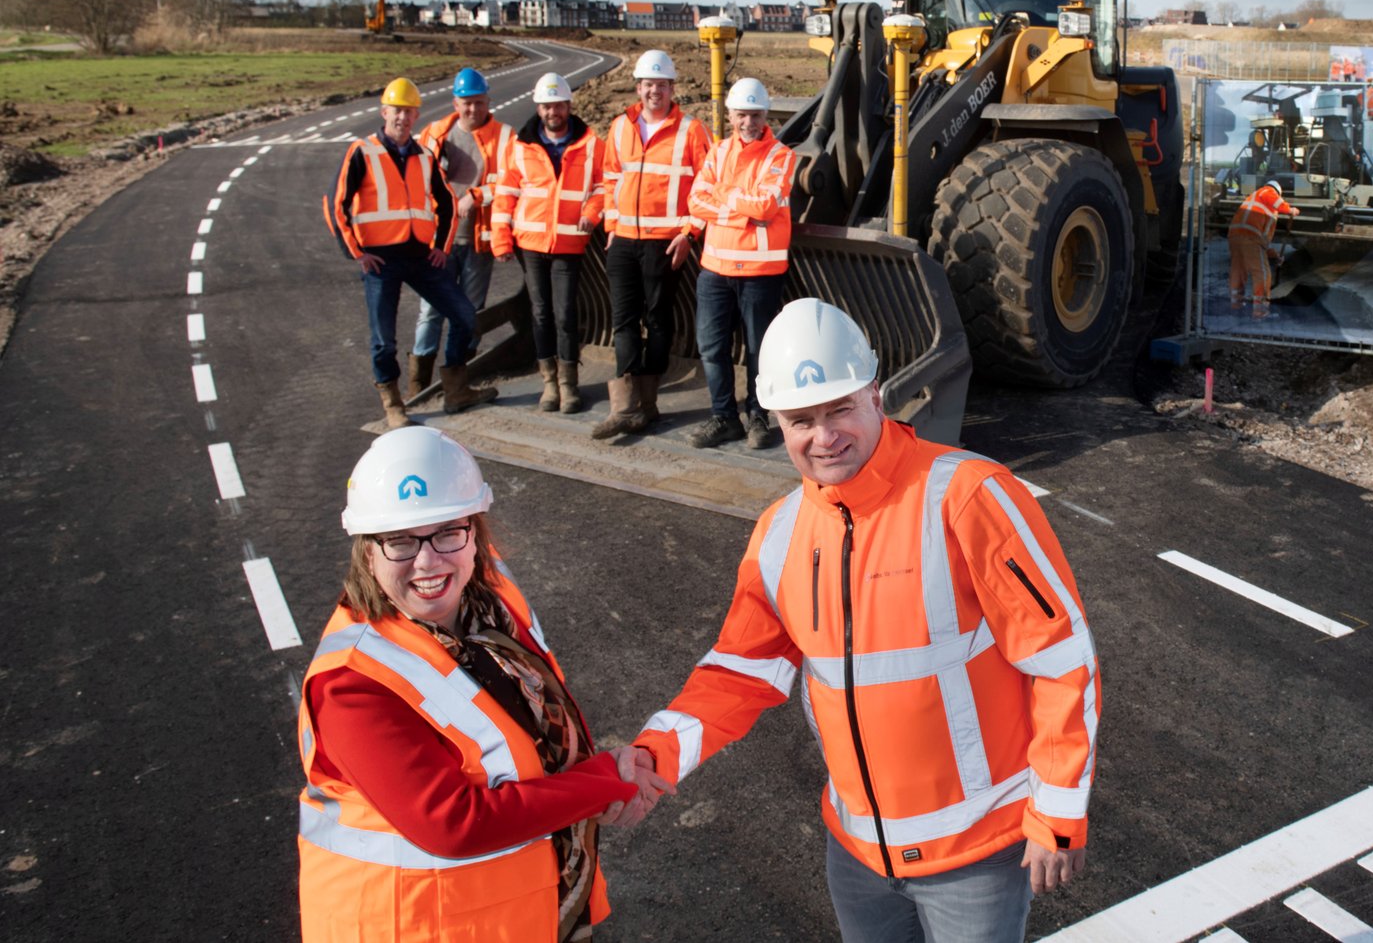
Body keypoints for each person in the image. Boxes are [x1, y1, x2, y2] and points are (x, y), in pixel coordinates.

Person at [616, 298, 1100, 942]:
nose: (825, 435)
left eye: (841, 408)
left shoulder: (968, 496)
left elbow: (1062, 659)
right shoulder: (780, 533)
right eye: (801, 420)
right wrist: (656, 754)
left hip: (976, 856)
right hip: (857, 857)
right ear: (778, 424)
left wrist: (1059, 813)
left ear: (876, 395)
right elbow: (739, 672)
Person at [296, 426, 670, 941]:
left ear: (475, 531)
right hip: (414, 925)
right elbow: (454, 823)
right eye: (401, 541)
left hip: (516, 909)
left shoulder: (489, 598)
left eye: (448, 530)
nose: (429, 561)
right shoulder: (352, 684)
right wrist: (607, 780)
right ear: (368, 554)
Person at [325, 77, 496, 429]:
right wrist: (356, 252)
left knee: (464, 315)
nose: (402, 118)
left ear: (417, 114)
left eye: (409, 112)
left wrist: (440, 248)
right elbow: (335, 204)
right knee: (383, 339)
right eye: (397, 111)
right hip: (379, 259)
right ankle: (393, 404)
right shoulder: (363, 151)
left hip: (419, 255)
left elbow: (447, 203)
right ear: (385, 112)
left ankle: (455, 389)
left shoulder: (423, 156)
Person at [592, 50, 713, 441]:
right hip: (624, 240)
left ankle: (648, 403)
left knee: (658, 321)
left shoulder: (692, 131)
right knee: (624, 321)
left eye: (661, 85)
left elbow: (708, 186)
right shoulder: (619, 127)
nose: (653, 91)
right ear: (638, 88)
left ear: (672, 88)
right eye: (647, 85)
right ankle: (625, 407)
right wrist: (611, 224)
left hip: (666, 243)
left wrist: (689, 233)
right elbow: (610, 179)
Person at [685, 77, 794, 450]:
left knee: (758, 350)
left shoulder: (780, 156)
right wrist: (741, 210)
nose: (749, 122)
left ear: (766, 116)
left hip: (760, 273)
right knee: (712, 348)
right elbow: (695, 202)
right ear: (730, 115)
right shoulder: (717, 153)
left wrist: (724, 194)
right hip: (715, 269)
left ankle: (759, 417)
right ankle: (724, 417)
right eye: (742, 115)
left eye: (756, 115)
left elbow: (766, 206)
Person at [493, 73, 604, 415]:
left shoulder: (590, 144)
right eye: (546, 106)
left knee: (566, 313)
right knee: (540, 313)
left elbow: (603, 186)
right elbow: (506, 193)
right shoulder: (520, 146)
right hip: (531, 243)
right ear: (539, 109)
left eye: (558, 105)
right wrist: (500, 240)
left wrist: (593, 211)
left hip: (569, 243)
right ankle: (549, 384)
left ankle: (570, 385)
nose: (552, 111)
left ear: (569, 106)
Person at [409, 67, 512, 399]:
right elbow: (415, 181)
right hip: (441, 240)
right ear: (455, 102)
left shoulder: (505, 137)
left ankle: (457, 382)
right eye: (466, 103)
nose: (473, 110)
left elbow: (512, 181)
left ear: (488, 101)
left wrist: (476, 195)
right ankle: (419, 385)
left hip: (478, 239)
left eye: (479, 103)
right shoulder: (435, 135)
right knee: (431, 310)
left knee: (468, 312)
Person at [1226, 179, 1297, 319]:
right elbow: (1276, 201)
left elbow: (1263, 244)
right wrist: (1290, 209)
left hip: (1235, 237)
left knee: (1238, 270)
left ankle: (1236, 306)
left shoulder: (1257, 203)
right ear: (1278, 192)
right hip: (1250, 238)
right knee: (1263, 273)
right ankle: (1261, 312)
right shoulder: (1266, 191)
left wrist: (1276, 256)